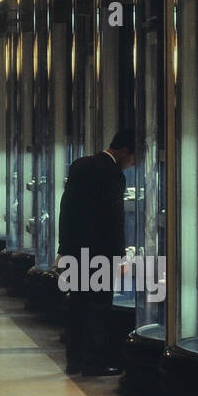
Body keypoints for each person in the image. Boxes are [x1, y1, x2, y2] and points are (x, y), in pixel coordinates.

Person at [57, 129, 136, 376]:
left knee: (78, 305)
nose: (132, 164)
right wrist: (121, 256)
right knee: (99, 308)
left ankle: (75, 360)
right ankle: (93, 363)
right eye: (133, 158)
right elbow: (115, 219)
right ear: (124, 152)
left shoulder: (80, 165)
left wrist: (63, 248)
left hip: (77, 249)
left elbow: (66, 208)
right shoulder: (114, 175)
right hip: (101, 253)